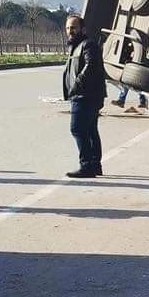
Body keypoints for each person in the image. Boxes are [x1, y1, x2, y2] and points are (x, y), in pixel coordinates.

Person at [62, 14, 106, 178]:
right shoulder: (76, 46)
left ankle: (86, 166)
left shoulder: (88, 45)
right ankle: (95, 165)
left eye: (73, 27)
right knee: (90, 130)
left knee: (77, 129)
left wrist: (76, 85)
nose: (70, 31)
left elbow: (91, 67)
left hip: (85, 95)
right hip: (83, 95)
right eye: (67, 28)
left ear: (83, 29)